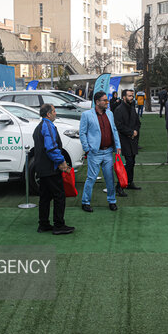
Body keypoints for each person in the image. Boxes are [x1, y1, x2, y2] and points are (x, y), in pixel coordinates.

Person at [33, 104, 75, 235]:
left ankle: (44, 224)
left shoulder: (39, 126)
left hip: (41, 167)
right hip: (50, 168)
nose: (56, 113)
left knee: (45, 197)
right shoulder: (48, 126)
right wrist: (61, 161)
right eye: (54, 111)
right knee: (59, 195)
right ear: (48, 114)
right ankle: (59, 225)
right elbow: (51, 148)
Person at [79, 91, 122, 212]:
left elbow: (114, 130)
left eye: (107, 100)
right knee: (91, 178)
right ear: (97, 102)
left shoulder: (110, 113)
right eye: (105, 100)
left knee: (110, 178)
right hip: (95, 153)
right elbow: (82, 133)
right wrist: (87, 148)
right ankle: (85, 202)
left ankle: (112, 201)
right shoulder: (87, 115)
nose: (107, 102)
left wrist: (117, 146)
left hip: (108, 152)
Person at [114, 89, 142, 193]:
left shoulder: (132, 108)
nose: (132, 97)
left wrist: (135, 132)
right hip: (124, 140)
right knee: (129, 162)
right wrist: (131, 132)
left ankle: (130, 182)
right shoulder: (119, 109)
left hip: (133, 140)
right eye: (130, 96)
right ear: (124, 97)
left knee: (132, 162)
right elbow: (118, 126)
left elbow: (138, 123)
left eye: (132, 95)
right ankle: (119, 186)